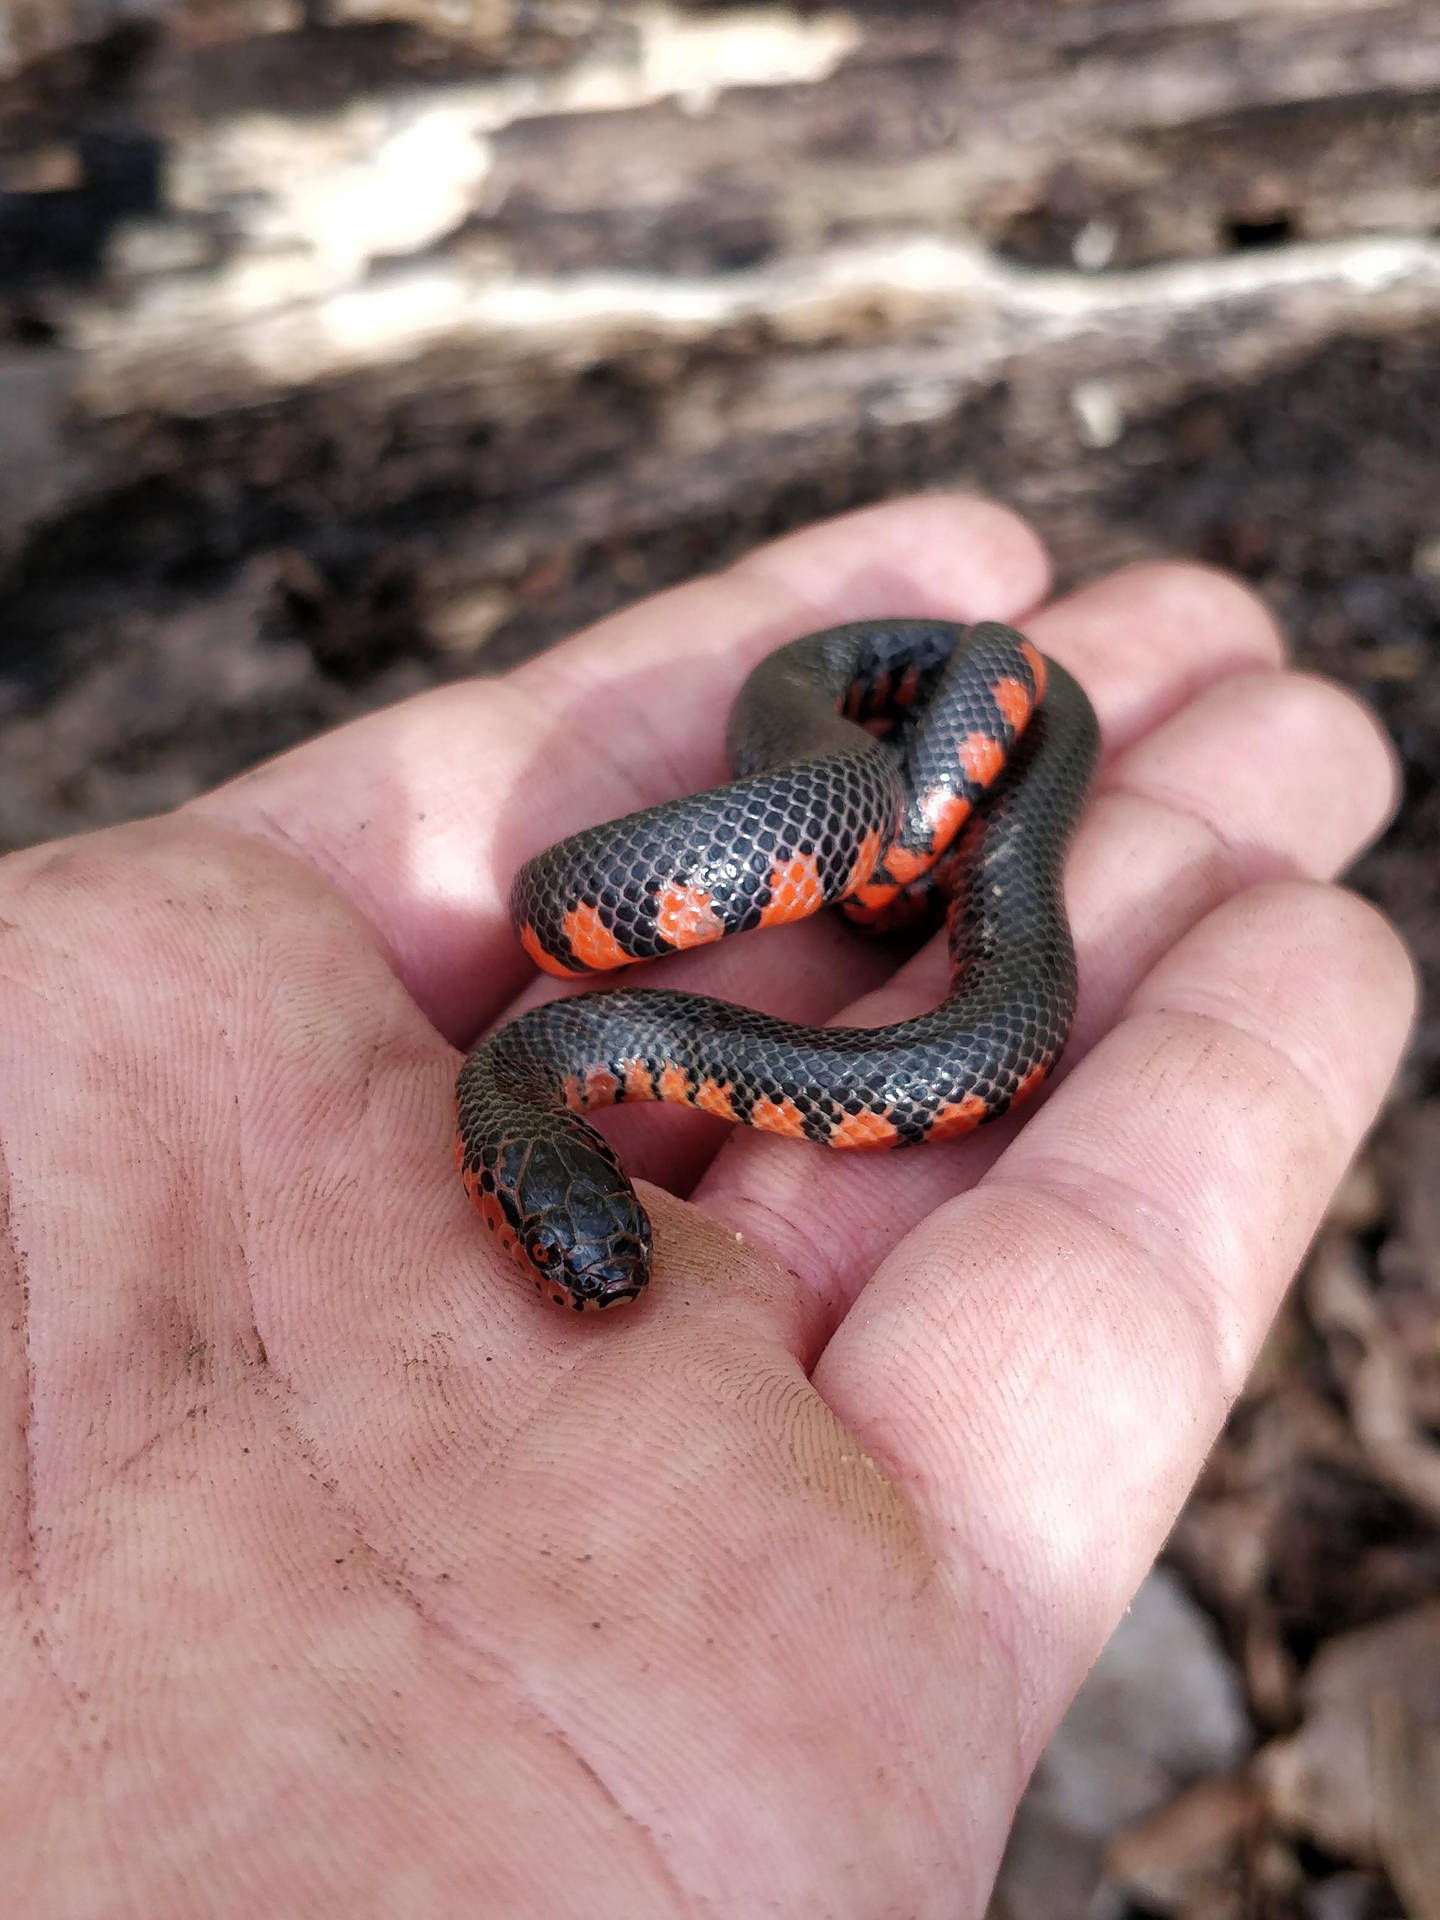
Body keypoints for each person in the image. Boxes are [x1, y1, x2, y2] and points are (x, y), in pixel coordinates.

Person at [2, 496, 1410, 1916]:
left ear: (576, 1167)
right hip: (840, 873)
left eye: (594, 1245)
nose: (600, 1277)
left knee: (957, 805)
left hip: (893, 876)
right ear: (502, 1186)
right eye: (572, 1255)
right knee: (926, 805)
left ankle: (974, 771)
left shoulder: (563, 1056)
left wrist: (937, 808)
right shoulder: (531, 1073)